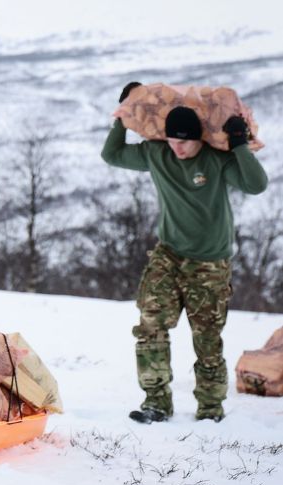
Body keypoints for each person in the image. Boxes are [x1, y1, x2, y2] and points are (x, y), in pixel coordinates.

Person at [101, 82, 268, 424]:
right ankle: (156, 403)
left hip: (210, 262)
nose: (176, 148)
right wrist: (122, 117)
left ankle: (210, 407)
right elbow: (112, 154)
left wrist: (239, 144)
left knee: (207, 338)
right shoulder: (157, 154)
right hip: (169, 255)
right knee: (150, 325)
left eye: (183, 142)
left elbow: (256, 184)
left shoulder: (216, 160)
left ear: (198, 139)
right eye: (171, 140)